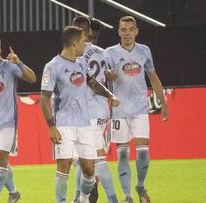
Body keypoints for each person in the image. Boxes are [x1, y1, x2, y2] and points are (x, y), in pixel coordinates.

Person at [40, 26, 119, 203]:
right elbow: (44, 99)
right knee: (64, 166)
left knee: (89, 171)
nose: (86, 44)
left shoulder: (82, 63)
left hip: (85, 124)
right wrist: (52, 127)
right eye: (84, 41)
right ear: (74, 43)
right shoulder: (53, 66)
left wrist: (110, 95)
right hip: (64, 124)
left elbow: (93, 83)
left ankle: (83, 199)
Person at [104, 16, 169, 203]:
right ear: (118, 31)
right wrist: (109, 77)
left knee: (143, 152)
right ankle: (127, 196)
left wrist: (163, 104)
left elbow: (154, 78)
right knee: (123, 153)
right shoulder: (109, 53)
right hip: (119, 111)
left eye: (130, 29)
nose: (127, 33)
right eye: (123, 30)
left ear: (136, 31)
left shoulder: (144, 51)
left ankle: (140, 185)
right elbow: (101, 79)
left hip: (140, 109)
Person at [0, 35, 36, 203]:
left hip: (8, 122)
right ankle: (14, 192)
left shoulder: (9, 66)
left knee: (2, 157)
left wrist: (18, 62)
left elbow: (32, 79)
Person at [71, 16, 119, 203]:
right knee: (91, 160)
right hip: (101, 113)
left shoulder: (78, 54)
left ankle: (79, 198)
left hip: (87, 114)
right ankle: (84, 198)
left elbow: (89, 83)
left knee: (86, 160)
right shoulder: (101, 52)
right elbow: (106, 75)